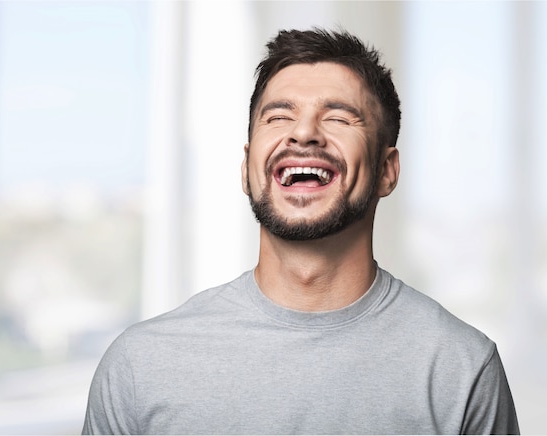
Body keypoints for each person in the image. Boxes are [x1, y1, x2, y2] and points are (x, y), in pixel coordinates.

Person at [82, 28, 519, 435]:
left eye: (339, 118)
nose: (304, 133)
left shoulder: (462, 367)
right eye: (278, 117)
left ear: (387, 171)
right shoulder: (139, 364)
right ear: (247, 166)